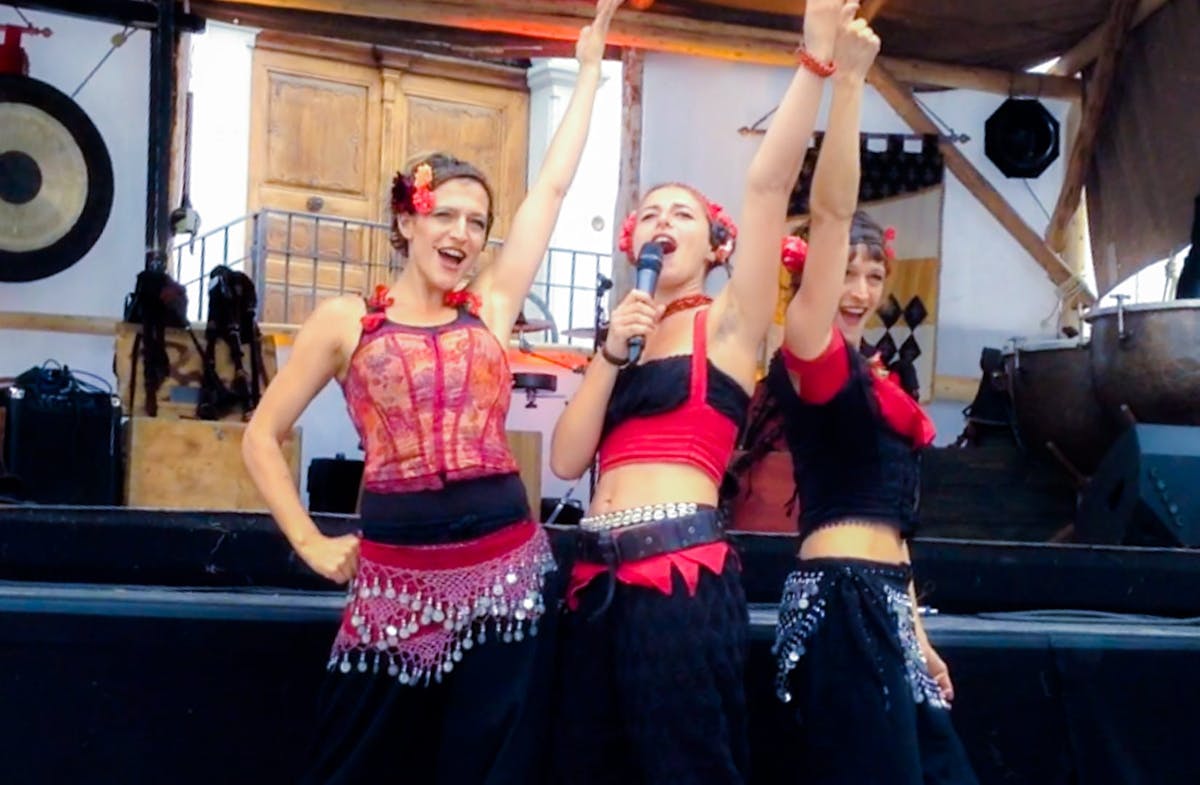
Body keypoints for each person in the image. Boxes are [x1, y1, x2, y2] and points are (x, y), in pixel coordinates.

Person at [240, 3, 621, 782]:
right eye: (445, 213)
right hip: (393, 578)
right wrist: (310, 542)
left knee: (493, 766)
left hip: (507, 572)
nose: (464, 232)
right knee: (359, 765)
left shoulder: (494, 308)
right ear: (406, 221)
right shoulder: (347, 320)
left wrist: (587, 70)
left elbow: (551, 186)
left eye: (478, 221)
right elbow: (258, 436)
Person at [546, 3, 852, 783]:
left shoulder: (730, 323)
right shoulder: (622, 331)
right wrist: (612, 349)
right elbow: (567, 456)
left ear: (716, 246)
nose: (660, 220)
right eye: (649, 212)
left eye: (680, 212)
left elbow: (767, 182)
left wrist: (815, 62)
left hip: (677, 574)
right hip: (590, 581)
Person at [749, 15, 980, 785]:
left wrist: (918, 636)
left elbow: (898, 524)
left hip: (884, 600)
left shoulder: (883, 376)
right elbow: (833, 211)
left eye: (874, 277)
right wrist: (846, 85)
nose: (859, 290)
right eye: (845, 272)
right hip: (841, 599)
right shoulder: (810, 351)